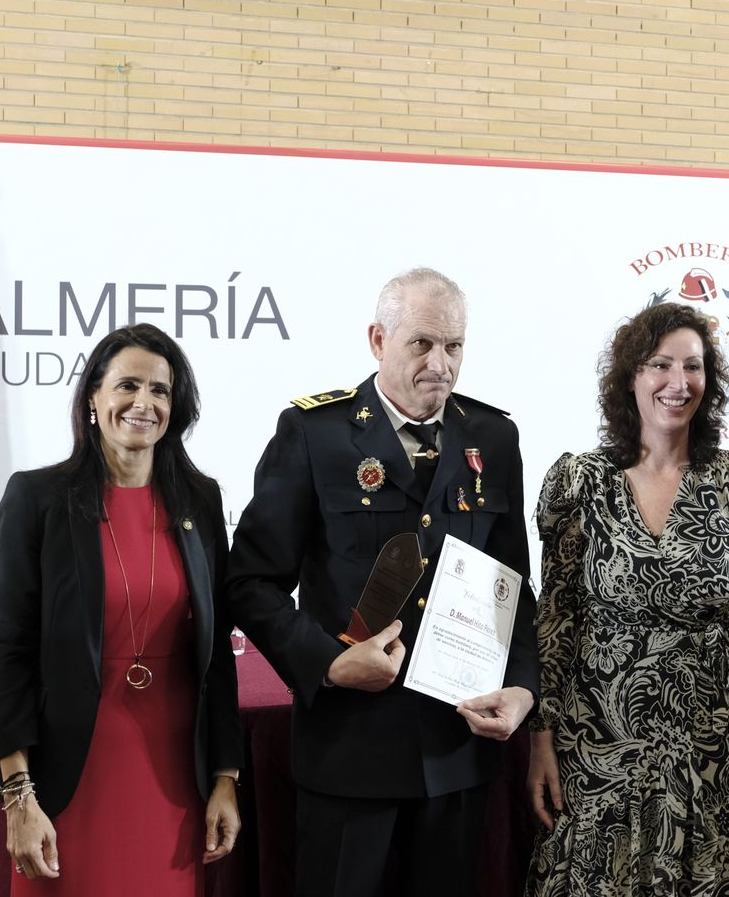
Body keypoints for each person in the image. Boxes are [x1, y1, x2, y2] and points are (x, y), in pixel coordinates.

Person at [224, 267, 539, 897]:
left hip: (458, 749)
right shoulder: (315, 433)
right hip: (350, 753)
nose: (440, 364)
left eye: (454, 346)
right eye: (421, 344)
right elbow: (250, 584)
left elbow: (514, 586)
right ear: (378, 340)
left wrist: (524, 688)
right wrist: (328, 663)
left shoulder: (494, 436)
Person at [526, 301, 729, 896]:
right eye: (660, 365)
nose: (679, 382)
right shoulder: (580, 483)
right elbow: (557, 619)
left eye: (693, 367)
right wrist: (541, 738)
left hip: (712, 750)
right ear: (631, 379)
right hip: (598, 750)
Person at [0, 323, 243, 894]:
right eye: (127, 385)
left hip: (177, 775)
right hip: (71, 773)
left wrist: (226, 777)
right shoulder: (37, 499)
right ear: (93, 400)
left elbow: (217, 651)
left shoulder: (201, 499)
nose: (144, 403)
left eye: (160, 390)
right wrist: (18, 796)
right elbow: (10, 653)